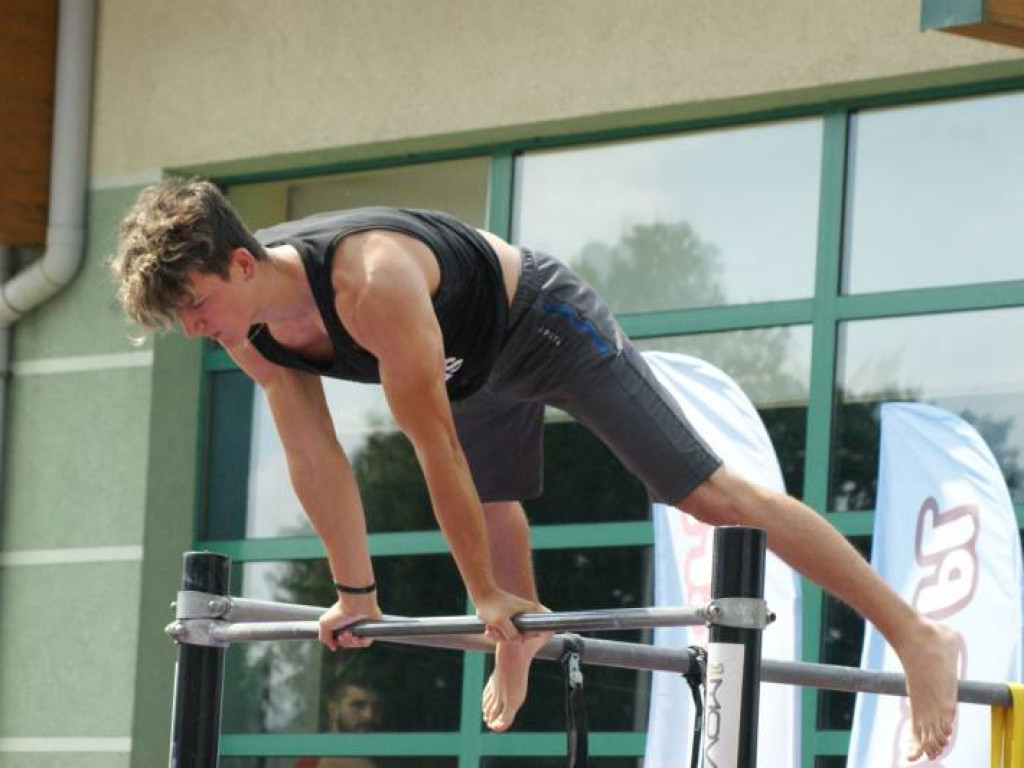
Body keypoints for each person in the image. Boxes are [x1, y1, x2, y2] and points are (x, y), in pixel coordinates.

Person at [112, 178, 958, 761]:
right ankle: (522, 632)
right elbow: (314, 457)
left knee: (706, 492)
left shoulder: (373, 281)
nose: (194, 329)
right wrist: (355, 594)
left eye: (194, 304)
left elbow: (432, 443)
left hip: (538, 324)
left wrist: (479, 590)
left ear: (243, 263)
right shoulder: (250, 330)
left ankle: (916, 634)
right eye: (178, 318)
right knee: (494, 498)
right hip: (459, 366)